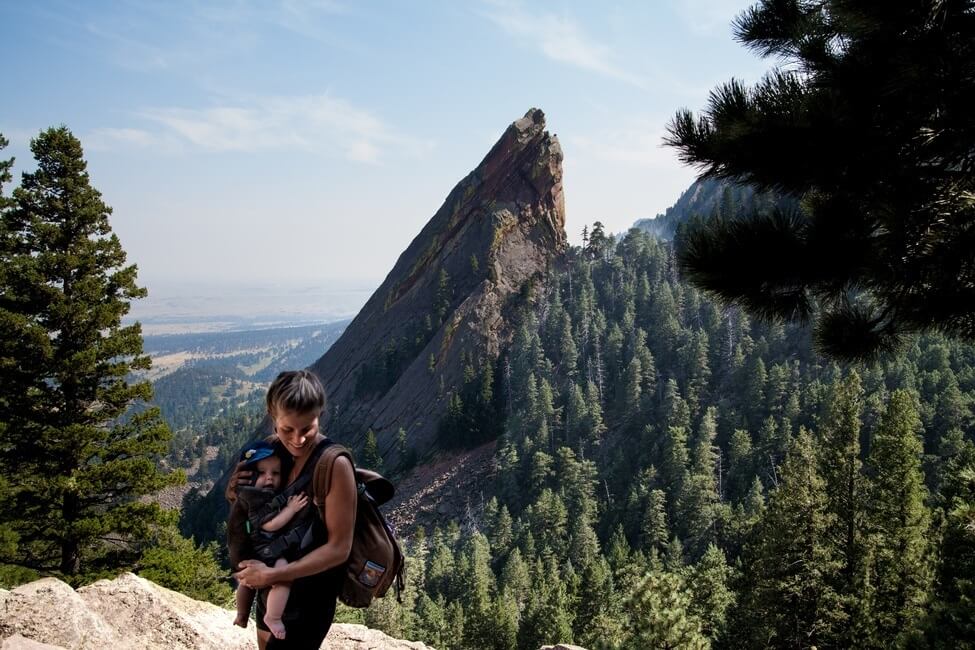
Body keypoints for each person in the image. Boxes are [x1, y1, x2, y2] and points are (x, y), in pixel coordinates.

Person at [227, 370, 356, 650]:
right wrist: (236, 491)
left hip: (309, 600)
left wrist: (273, 576)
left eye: (307, 429)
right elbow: (249, 511)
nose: (297, 440)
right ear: (273, 418)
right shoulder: (270, 454)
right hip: (268, 588)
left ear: (319, 415)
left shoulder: (334, 466)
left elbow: (339, 548)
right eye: (287, 429)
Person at [228, 441, 309, 639]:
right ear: (250, 476)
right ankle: (273, 616)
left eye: (275, 473)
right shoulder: (256, 497)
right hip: (265, 549)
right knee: (283, 575)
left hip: (251, 550)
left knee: (245, 582)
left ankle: (242, 614)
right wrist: (291, 509)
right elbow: (269, 525)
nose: (269, 478)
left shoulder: (248, 494)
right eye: (262, 473)